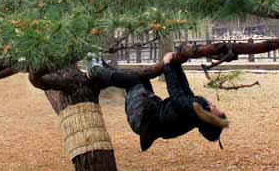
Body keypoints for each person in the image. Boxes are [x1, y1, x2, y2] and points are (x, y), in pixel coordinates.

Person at [88, 51, 230, 151]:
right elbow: (186, 91)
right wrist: (176, 64)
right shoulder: (198, 110)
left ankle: (96, 71)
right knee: (141, 76)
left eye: (217, 111)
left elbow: (176, 94)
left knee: (134, 81)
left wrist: (168, 64)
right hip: (150, 109)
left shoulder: (193, 112)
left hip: (142, 118)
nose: (216, 106)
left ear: (210, 118)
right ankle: (105, 69)